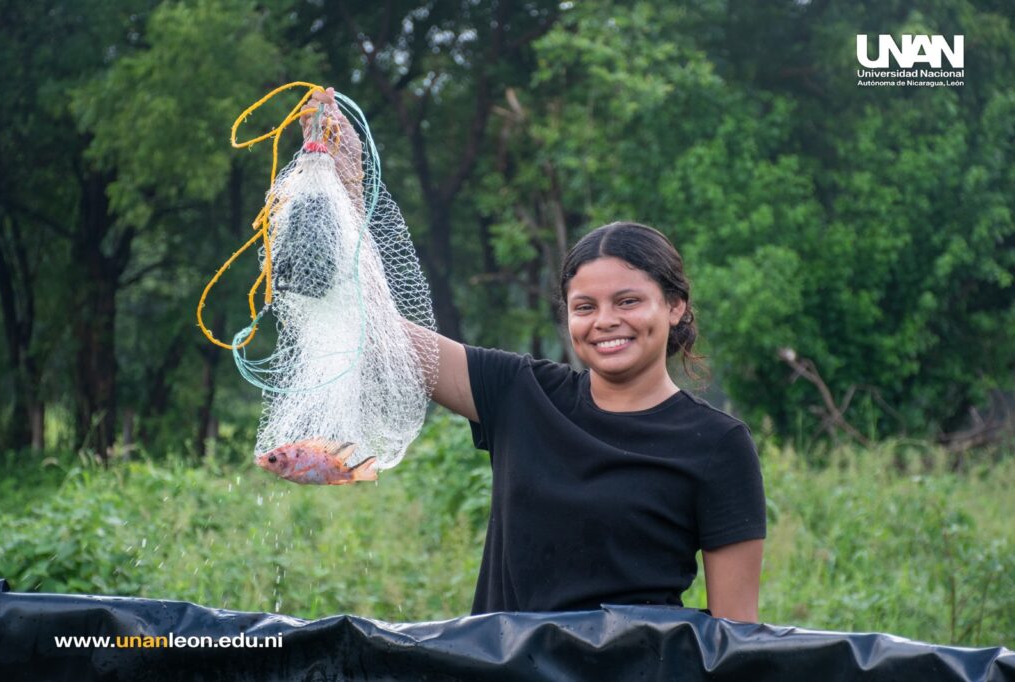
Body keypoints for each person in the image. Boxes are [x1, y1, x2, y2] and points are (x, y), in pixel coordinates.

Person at [304, 88, 766, 622]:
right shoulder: (522, 394)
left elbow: (736, 633)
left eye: (629, 301)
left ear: (676, 307)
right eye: (585, 306)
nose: (606, 321)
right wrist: (347, 190)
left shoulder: (717, 444)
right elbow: (378, 334)